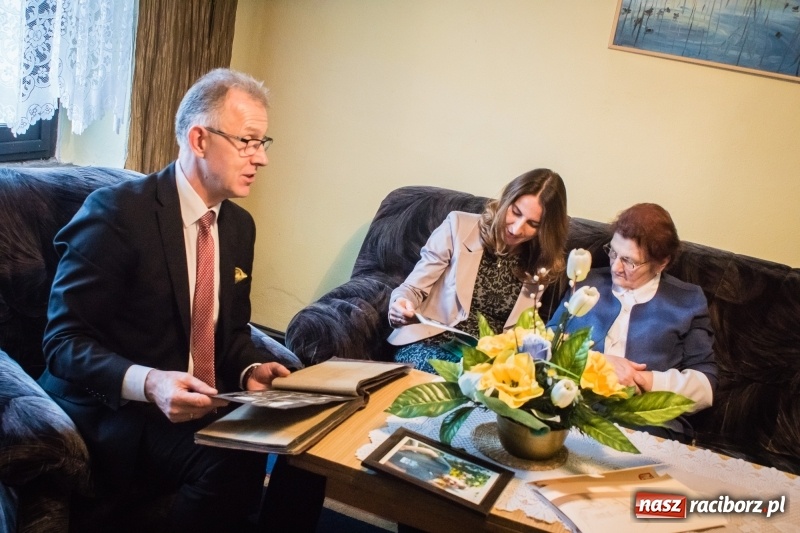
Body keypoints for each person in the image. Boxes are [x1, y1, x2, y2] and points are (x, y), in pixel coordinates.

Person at [38, 68, 324, 533]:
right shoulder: (117, 214)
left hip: (199, 399)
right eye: (248, 142)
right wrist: (151, 383)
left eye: (263, 143)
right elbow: (63, 341)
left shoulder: (237, 226)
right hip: (118, 409)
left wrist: (252, 368)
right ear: (199, 139)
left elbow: (227, 333)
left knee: (308, 442)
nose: (261, 159)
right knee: (231, 461)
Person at [548, 203, 717, 443]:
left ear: (662, 263)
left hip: (646, 422)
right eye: (613, 252)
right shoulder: (587, 281)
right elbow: (546, 342)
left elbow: (705, 385)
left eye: (630, 261)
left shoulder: (687, 301)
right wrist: (598, 362)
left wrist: (645, 380)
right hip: (574, 406)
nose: (615, 266)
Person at [387, 168, 569, 373]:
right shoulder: (458, 227)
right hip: (431, 342)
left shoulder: (541, 263)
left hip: (489, 362)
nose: (517, 229)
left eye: (533, 224)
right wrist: (400, 304)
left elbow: (525, 329)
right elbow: (413, 288)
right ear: (506, 201)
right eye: (515, 212)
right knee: (462, 380)